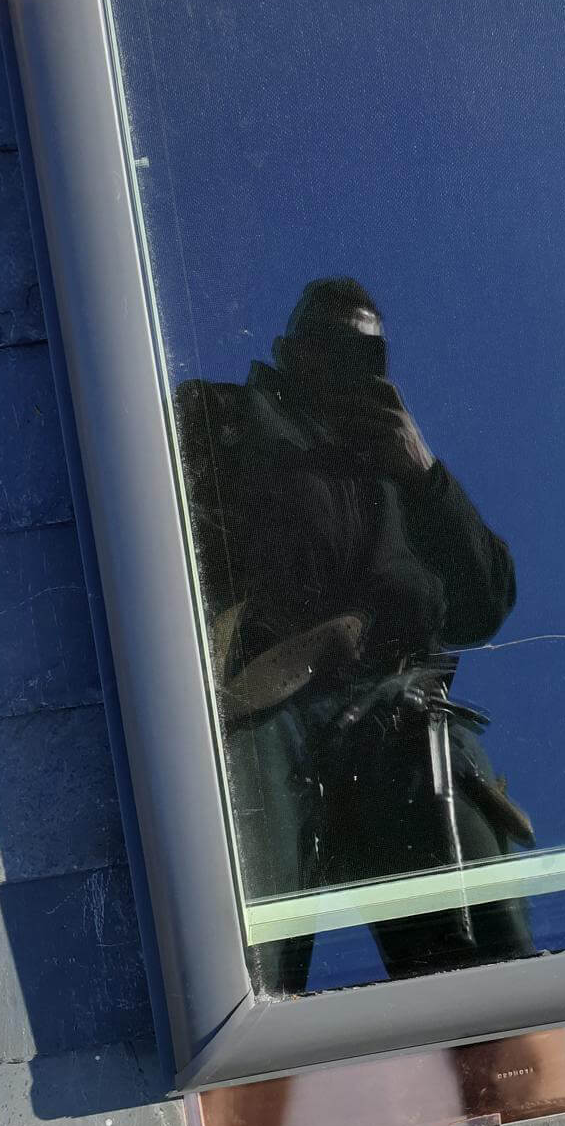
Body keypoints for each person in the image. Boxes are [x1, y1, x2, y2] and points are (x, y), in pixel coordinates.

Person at [173, 278, 533, 993]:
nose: (345, 366)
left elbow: (486, 603)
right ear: (289, 350)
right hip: (262, 701)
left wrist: (424, 472)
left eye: (366, 354)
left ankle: (501, 1040)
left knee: (484, 963)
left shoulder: (404, 475)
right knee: (240, 958)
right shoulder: (226, 418)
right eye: (328, 345)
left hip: (397, 716)